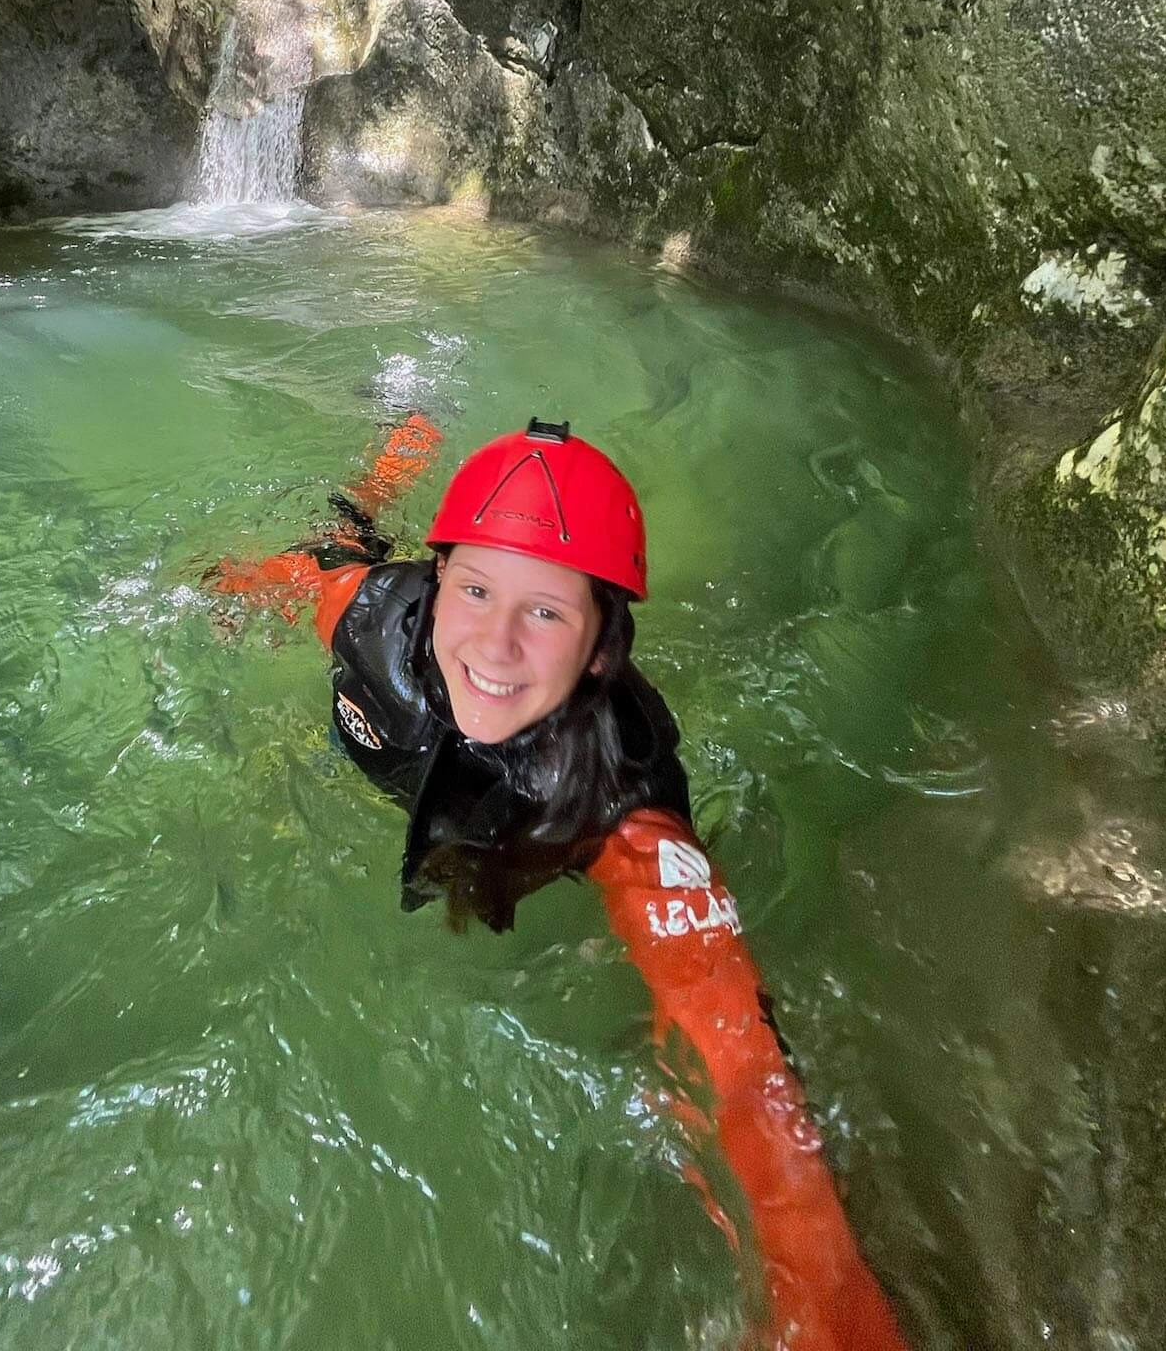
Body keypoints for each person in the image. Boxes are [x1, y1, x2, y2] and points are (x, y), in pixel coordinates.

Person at [212, 415, 908, 1351]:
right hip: (374, 667)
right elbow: (309, 580)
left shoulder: (621, 799)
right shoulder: (376, 618)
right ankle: (393, 456)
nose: (494, 646)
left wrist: (820, 1288)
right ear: (438, 585)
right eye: (475, 590)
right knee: (342, 534)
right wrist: (227, 592)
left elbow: (735, 1049)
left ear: (601, 648)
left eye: (546, 612)